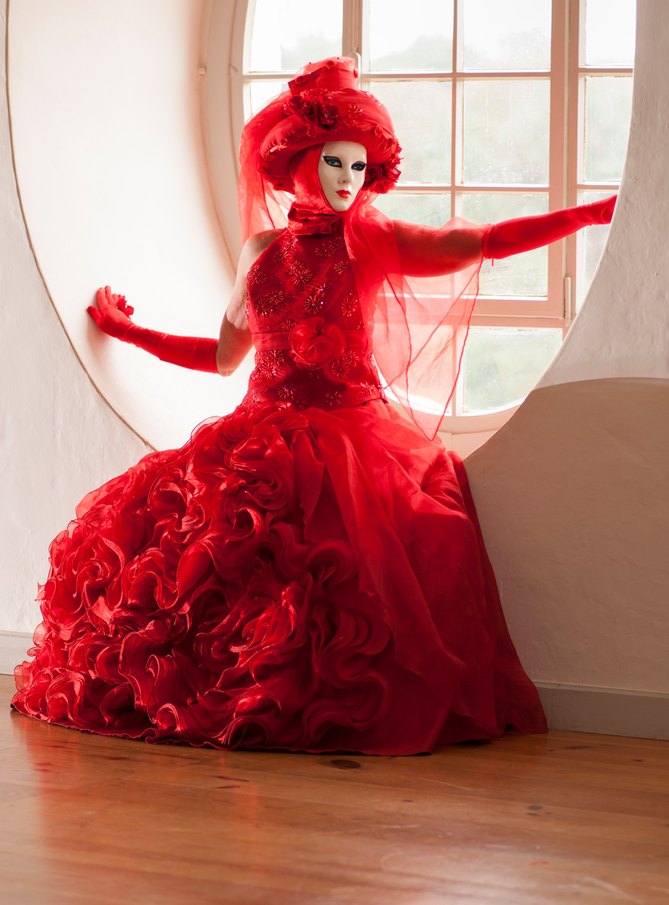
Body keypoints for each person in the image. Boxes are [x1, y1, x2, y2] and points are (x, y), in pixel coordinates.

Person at [11, 57, 614, 754]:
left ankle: (306, 710)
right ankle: (227, 703)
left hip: (350, 438)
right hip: (256, 432)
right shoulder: (260, 249)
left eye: (358, 169)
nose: (346, 181)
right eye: (333, 162)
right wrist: (127, 331)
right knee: (184, 560)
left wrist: (594, 214)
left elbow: (480, 243)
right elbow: (222, 356)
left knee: (333, 579)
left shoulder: (373, 239)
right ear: (294, 159)